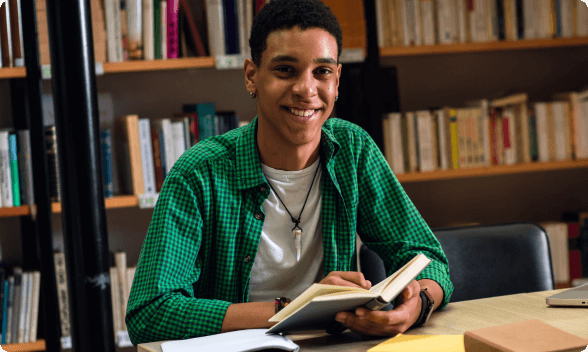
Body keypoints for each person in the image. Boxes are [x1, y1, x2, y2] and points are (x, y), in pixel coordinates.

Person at [126, 0, 453, 345]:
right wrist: (297, 307)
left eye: (322, 72)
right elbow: (150, 312)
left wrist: (417, 307)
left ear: (337, 80)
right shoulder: (198, 174)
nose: (306, 89)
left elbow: (427, 258)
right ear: (252, 76)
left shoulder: (352, 150)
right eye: (285, 70)